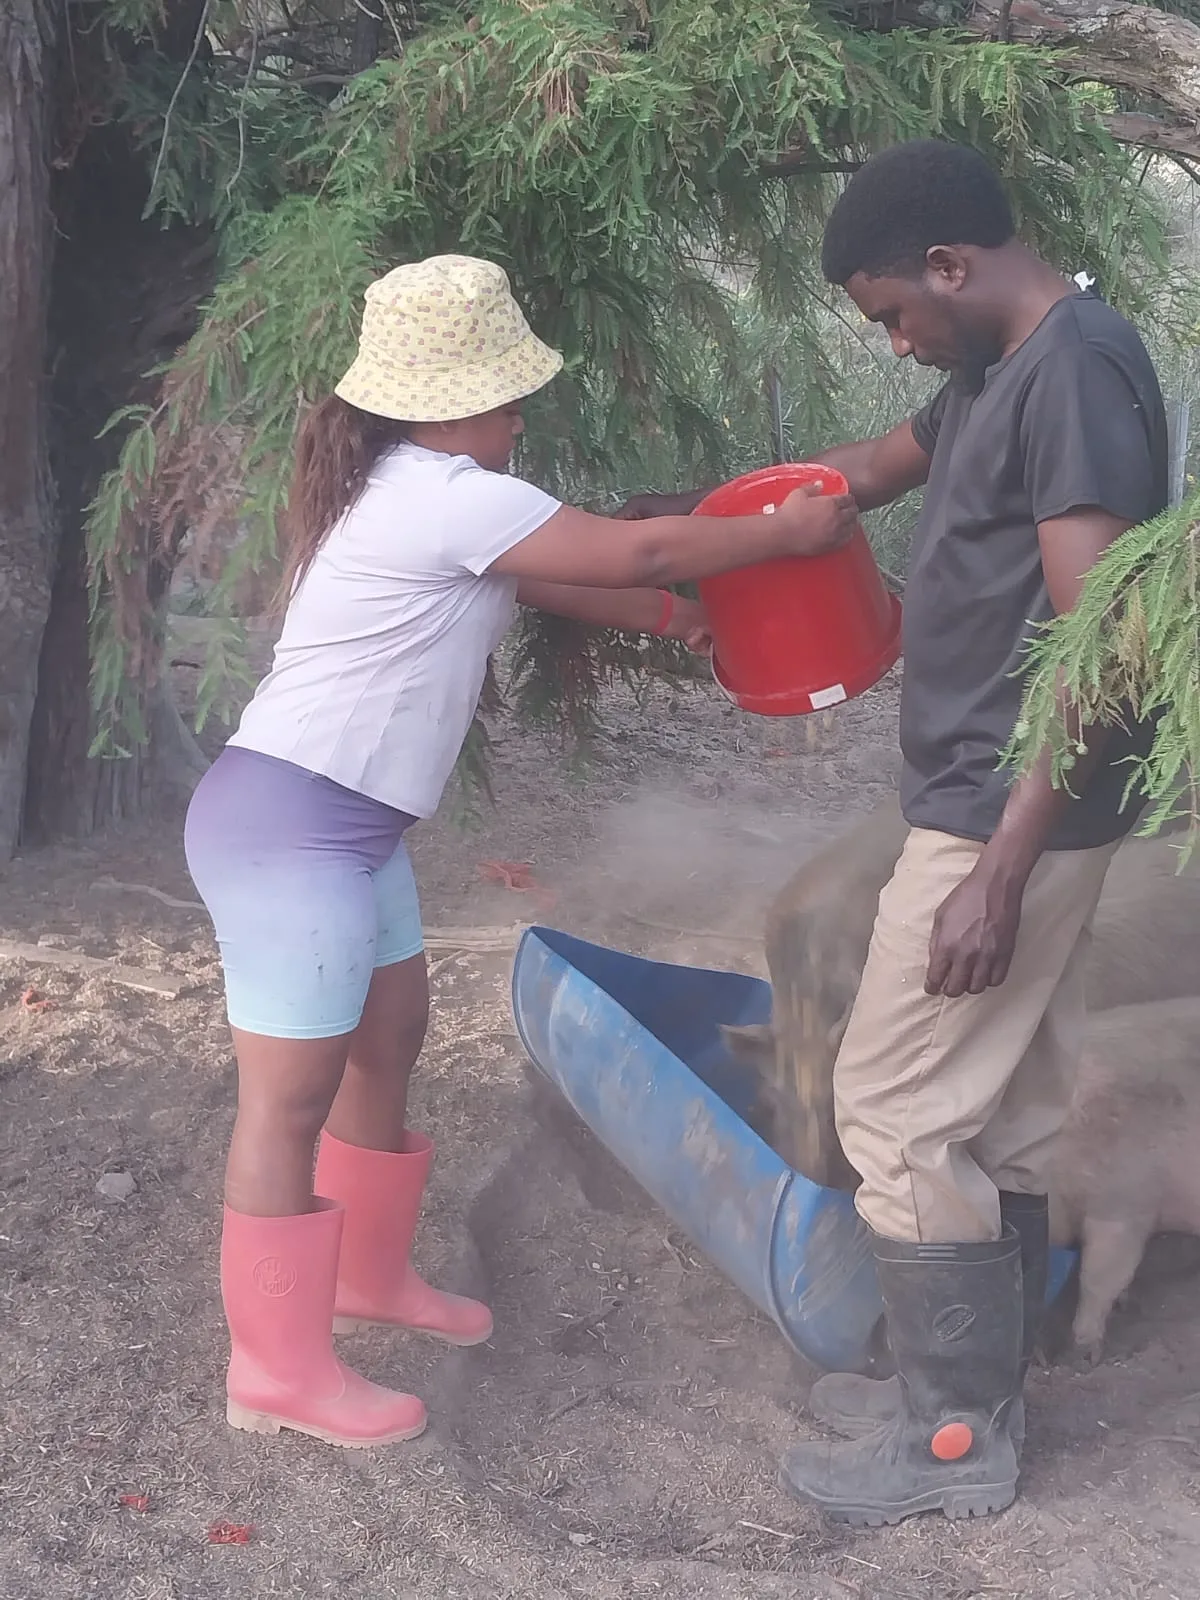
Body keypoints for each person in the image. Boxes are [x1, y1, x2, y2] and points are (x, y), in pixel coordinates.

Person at [184, 253, 858, 1450]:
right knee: (287, 1104)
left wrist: (679, 623)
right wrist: (782, 530)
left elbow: (570, 586)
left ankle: (367, 1276)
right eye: (508, 398)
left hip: (344, 829)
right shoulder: (445, 493)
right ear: (455, 405)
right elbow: (635, 553)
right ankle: (273, 1369)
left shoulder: (425, 495)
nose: (520, 418)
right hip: (289, 828)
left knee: (390, 1037)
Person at [620, 140, 1168, 1525]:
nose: (895, 341)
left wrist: (998, 871)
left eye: (891, 315)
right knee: (1009, 1106)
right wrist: (710, 520)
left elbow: (1101, 649)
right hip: (993, 803)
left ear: (949, 265)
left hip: (1005, 814)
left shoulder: (1077, 375)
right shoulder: (992, 370)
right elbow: (865, 469)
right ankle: (976, 1391)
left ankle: (952, 1439)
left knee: (892, 1106)